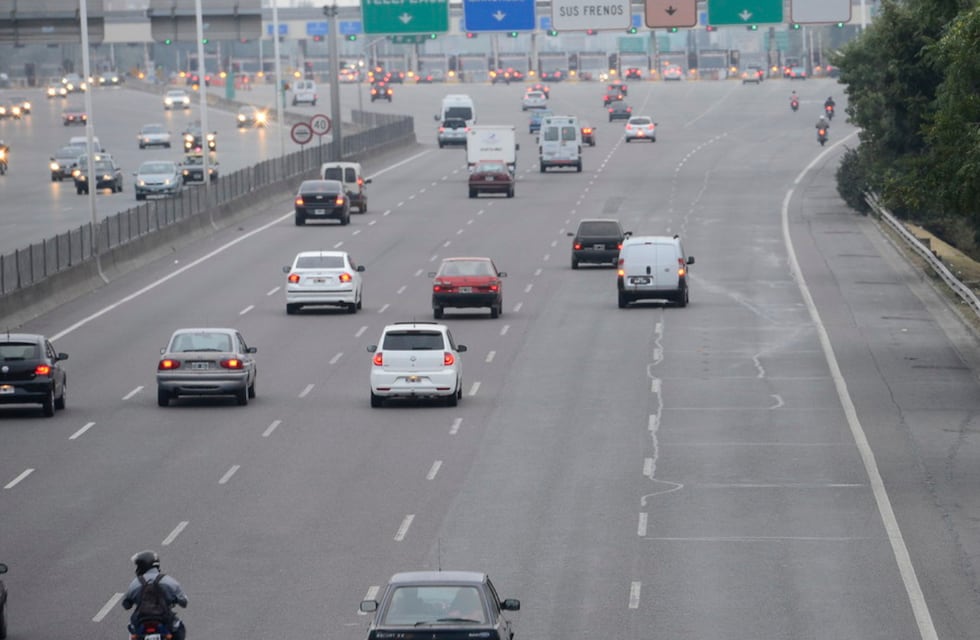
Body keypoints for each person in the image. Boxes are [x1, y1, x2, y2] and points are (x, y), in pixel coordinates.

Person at [122, 550, 188, 640]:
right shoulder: (169, 581)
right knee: (179, 629)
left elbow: (126, 605)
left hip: (140, 622)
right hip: (165, 620)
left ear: (142, 566)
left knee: (132, 631)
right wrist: (175, 600)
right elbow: (184, 602)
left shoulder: (135, 584)